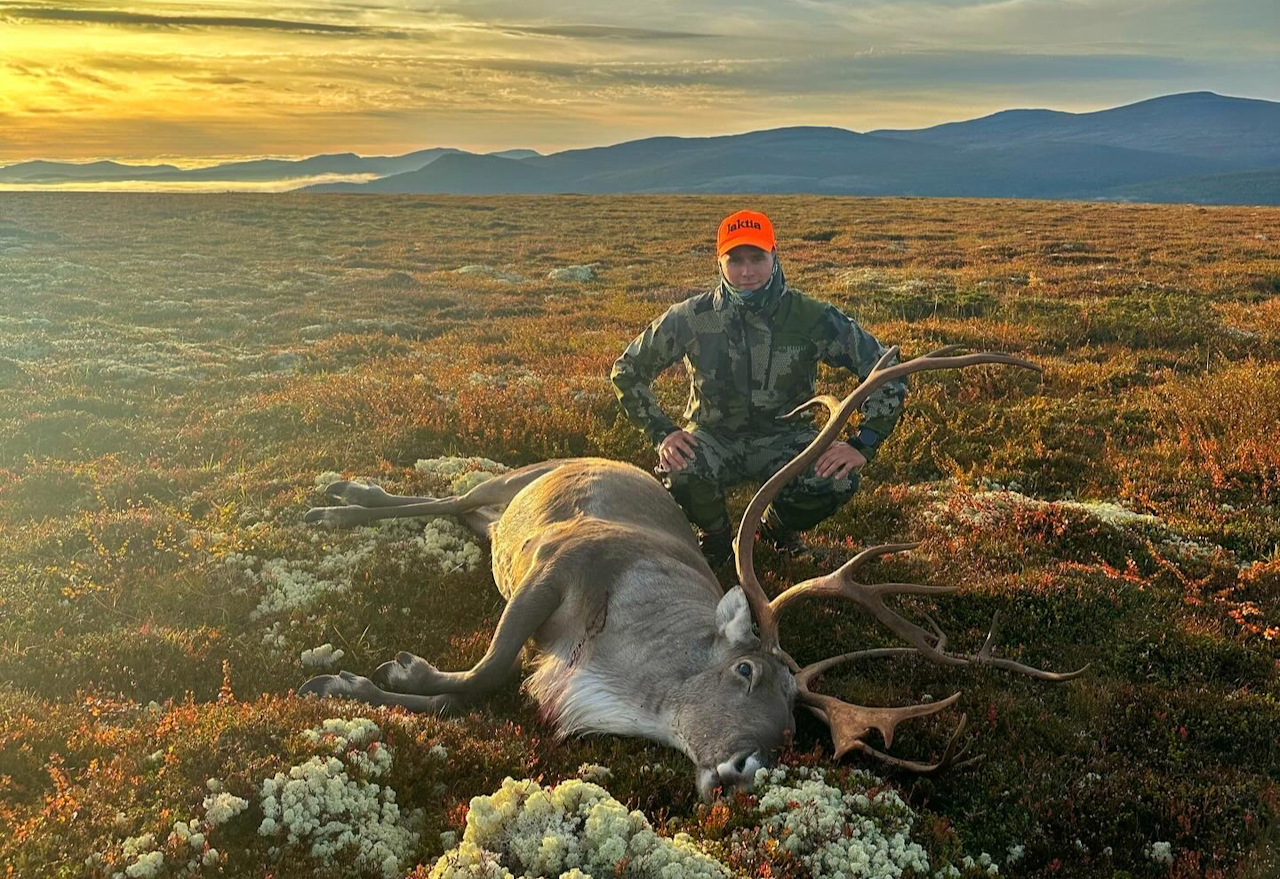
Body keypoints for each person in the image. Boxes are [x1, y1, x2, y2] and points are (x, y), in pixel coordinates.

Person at [610, 209, 907, 567]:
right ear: (719, 262)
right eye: (735, 260)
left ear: (774, 255)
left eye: (757, 258)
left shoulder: (810, 317)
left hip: (788, 438)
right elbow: (628, 370)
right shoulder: (689, 317)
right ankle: (717, 536)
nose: (746, 271)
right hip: (712, 435)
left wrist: (865, 442)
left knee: (837, 480)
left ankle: (774, 532)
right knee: (679, 468)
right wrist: (662, 432)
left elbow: (886, 368)